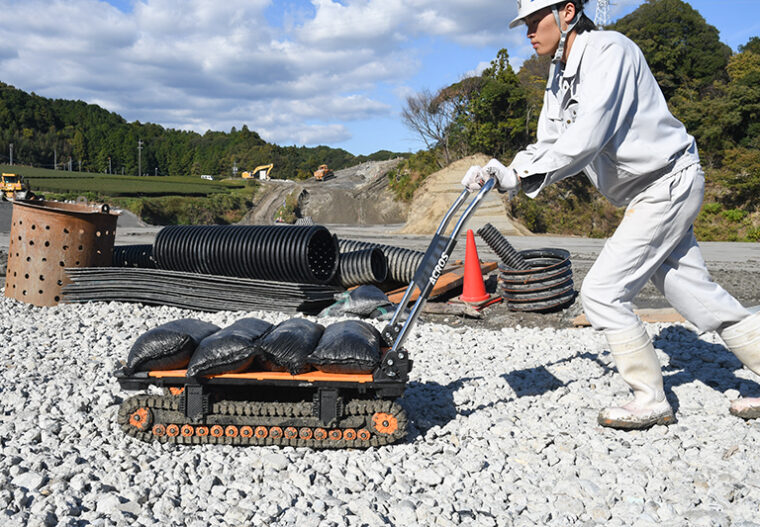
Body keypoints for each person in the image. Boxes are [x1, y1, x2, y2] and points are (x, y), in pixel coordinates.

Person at [462, 0, 760, 429]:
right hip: (652, 190)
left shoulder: (610, 51)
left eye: (534, 19)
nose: (528, 31)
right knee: (697, 296)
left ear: (567, 12)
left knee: (602, 291)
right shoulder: (559, 74)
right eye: (524, 23)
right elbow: (551, 139)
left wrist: (519, 176)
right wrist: (504, 169)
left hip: (666, 181)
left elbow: (588, 133)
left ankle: (649, 398)